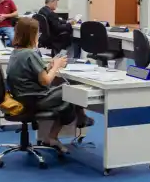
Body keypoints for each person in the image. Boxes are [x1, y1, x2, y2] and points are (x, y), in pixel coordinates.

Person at [7, 17, 92, 151]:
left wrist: (49, 66)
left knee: (67, 96)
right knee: (72, 92)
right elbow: (45, 80)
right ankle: (69, 126)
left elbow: (33, 74)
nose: (39, 35)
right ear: (31, 35)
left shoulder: (16, 52)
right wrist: (56, 66)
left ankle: (73, 122)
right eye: (38, 32)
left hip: (22, 98)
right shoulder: (30, 54)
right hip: (35, 99)